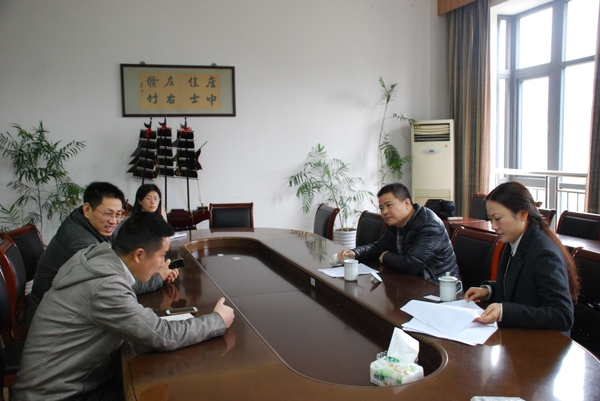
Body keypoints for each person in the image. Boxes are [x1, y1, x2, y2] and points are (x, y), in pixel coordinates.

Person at [12, 212, 234, 401]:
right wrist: (217, 320)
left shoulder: (95, 256)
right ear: (139, 255)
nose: (162, 263)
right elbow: (162, 335)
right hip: (56, 395)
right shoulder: (106, 286)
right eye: (161, 256)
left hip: (66, 381)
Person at [27, 181, 178, 324]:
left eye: (118, 214)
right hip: (56, 319)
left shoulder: (90, 225)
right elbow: (114, 286)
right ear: (87, 209)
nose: (113, 221)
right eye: (108, 214)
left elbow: (121, 260)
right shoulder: (80, 243)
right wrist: (158, 277)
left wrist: (150, 268)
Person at [464, 181, 579, 334]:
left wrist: (504, 311)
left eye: (498, 218)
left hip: (544, 341)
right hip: (520, 333)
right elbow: (522, 288)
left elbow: (562, 315)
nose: (493, 226)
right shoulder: (514, 240)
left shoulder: (544, 253)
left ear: (523, 214)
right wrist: (488, 291)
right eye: (490, 219)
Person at [337, 182, 459, 283]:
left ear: (406, 203)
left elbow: (412, 264)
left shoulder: (429, 224)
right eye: (381, 208)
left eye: (389, 205)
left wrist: (386, 257)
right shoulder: (396, 223)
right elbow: (379, 246)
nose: (384, 212)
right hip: (412, 283)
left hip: (439, 288)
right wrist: (355, 253)